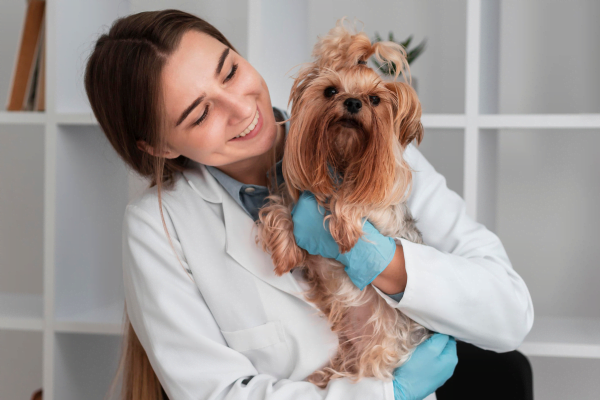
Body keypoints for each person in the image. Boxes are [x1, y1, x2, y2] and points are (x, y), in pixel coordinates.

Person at [83, 9, 533, 400]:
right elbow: (216, 393)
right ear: (159, 146)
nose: (239, 109)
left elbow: (509, 313)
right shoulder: (159, 227)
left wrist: (374, 258)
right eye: (200, 113)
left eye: (231, 72)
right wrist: (384, 394)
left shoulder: (374, 147)